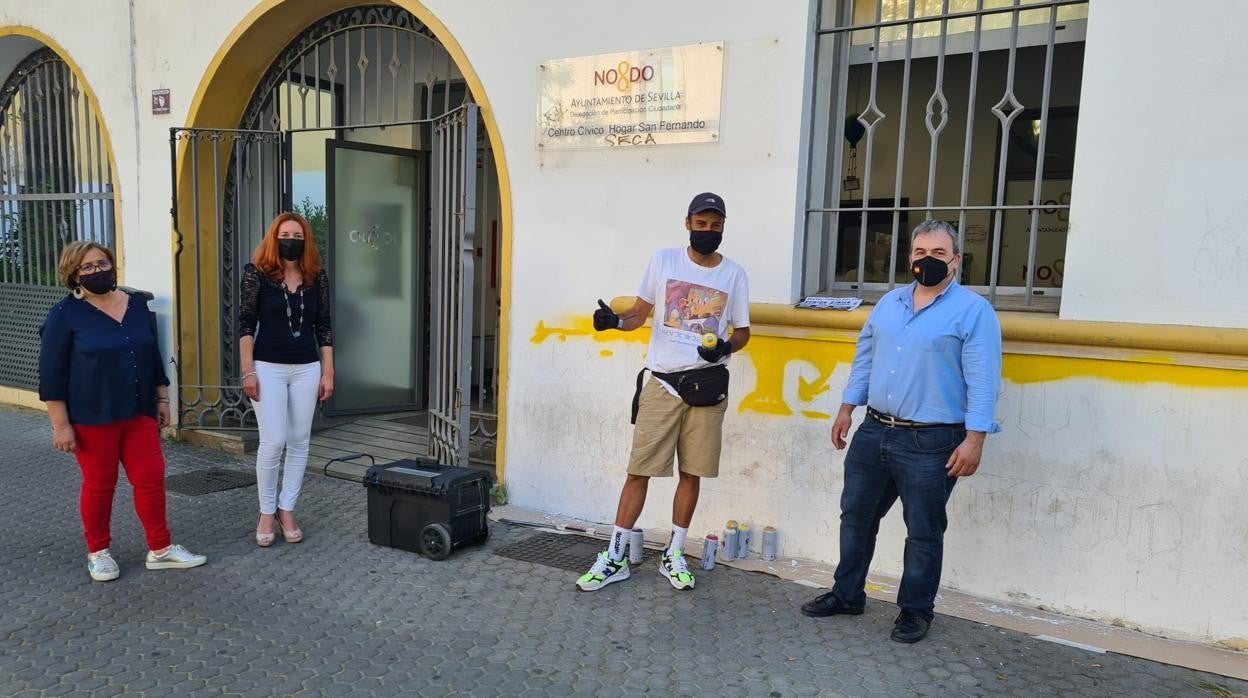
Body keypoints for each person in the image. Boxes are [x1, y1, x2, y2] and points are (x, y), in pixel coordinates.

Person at [800, 220, 1002, 643]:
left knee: (923, 531)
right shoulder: (889, 304)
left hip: (933, 441)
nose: (928, 260)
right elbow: (865, 358)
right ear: (910, 257)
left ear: (956, 260)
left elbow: (983, 380)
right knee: (856, 517)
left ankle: (915, 611)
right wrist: (846, 408)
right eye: (921, 252)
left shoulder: (973, 311)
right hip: (874, 430)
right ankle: (847, 594)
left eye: (939, 253)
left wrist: (975, 439)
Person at [576, 192, 750, 592]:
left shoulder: (734, 275)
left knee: (692, 473)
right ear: (687, 223)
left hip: (707, 387)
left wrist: (726, 347)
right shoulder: (664, 261)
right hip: (662, 383)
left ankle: (674, 553)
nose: (708, 231)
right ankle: (615, 556)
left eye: (716, 225)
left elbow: (742, 333)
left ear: (723, 227)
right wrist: (614, 322)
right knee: (638, 471)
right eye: (701, 224)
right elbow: (638, 315)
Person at [38, 241, 208, 582]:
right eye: (87, 267)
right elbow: (52, 375)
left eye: (103, 263)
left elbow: (152, 356)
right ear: (73, 274)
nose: (98, 271)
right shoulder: (63, 315)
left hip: (138, 412)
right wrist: (61, 425)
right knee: (100, 485)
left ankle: (160, 548)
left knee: (151, 479)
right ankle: (99, 552)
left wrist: (162, 399)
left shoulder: (136, 305)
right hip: (92, 417)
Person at [239, 212, 334, 547]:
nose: (290, 240)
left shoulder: (315, 277)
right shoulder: (256, 274)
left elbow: (324, 326)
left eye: (297, 235)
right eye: (285, 235)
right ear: (273, 237)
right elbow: (246, 324)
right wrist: (248, 371)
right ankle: (266, 512)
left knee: (299, 440)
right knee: (274, 440)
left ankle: (286, 508)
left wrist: (328, 372)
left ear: (305, 241)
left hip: (307, 367)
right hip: (267, 367)